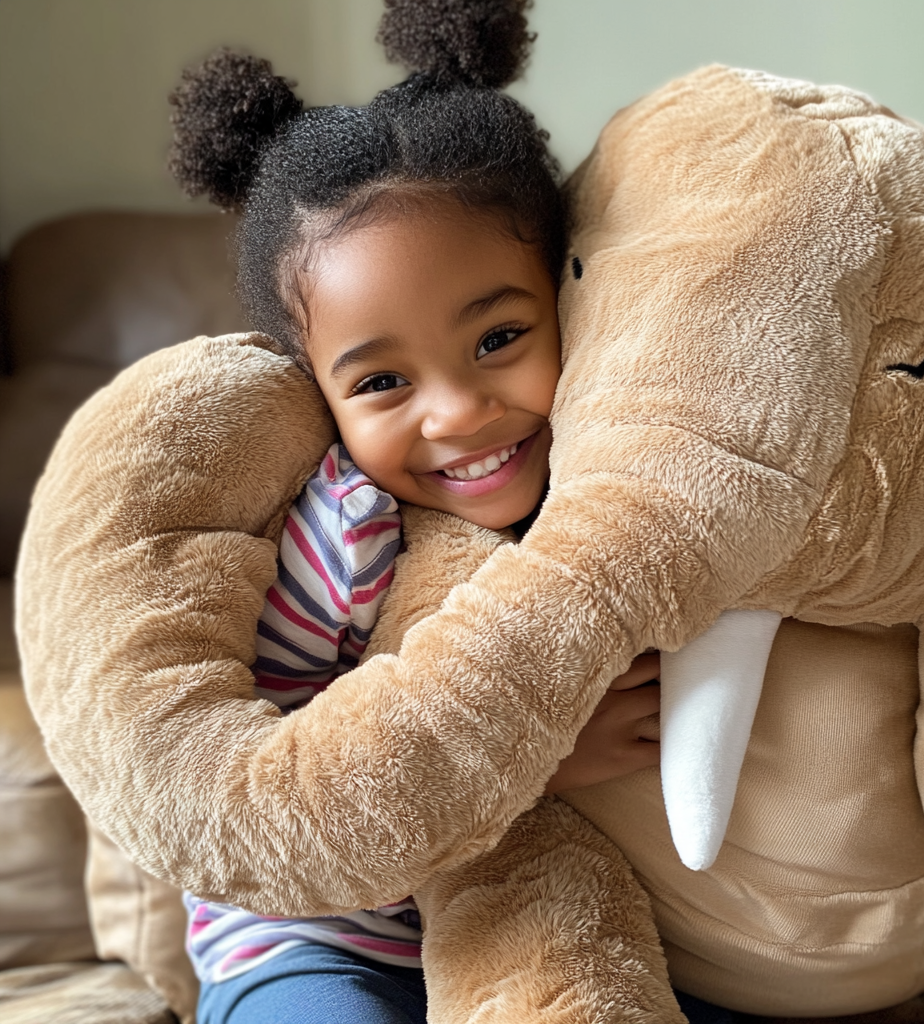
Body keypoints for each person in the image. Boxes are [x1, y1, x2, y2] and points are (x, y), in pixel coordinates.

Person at [168, 3, 732, 1022]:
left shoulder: (629, 491)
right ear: (322, 397)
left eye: (498, 337)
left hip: (549, 927)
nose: (459, 413)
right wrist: (530, 760)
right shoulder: (342, 539)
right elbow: (280, 794)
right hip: (321, 933)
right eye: (382, 380)